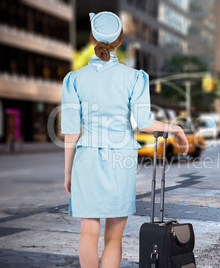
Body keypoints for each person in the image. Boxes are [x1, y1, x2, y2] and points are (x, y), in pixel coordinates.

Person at [61, 11, 189, 268]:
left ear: (92, 39)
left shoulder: (74, 79)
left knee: (88, 234)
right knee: (114, 237)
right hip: (121, 158)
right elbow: (145, 123)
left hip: (86, 159)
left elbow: (71, 131)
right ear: (120, 41)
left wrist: (68, 172)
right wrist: (175, 128)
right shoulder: (134, 77)